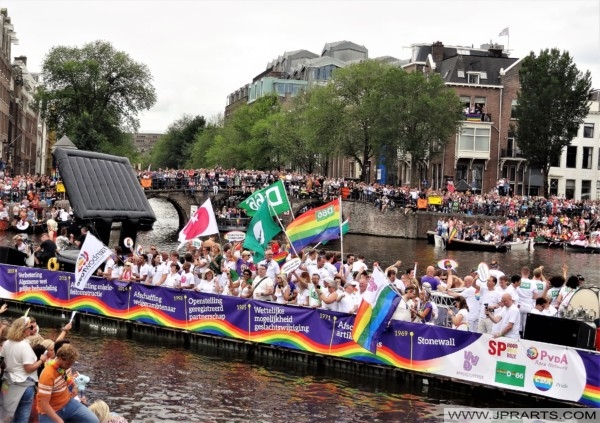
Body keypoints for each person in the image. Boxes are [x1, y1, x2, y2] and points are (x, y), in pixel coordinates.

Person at [1, 316, 48, 422]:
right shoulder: (24, 346)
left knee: (5, 412)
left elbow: (2, 362)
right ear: (24, 330)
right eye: (29, 328)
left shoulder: (6, 343)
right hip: (24, 385)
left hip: (8, 383)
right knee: (22, 415)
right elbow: (29, 368)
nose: (31, 330)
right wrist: (41, 361)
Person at [37, 344, 99, 423]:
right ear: (60, 358)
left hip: (67, 403)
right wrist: (58, 420)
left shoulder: (65, 367)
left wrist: (74, 386)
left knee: (93, 421)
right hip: (49, 411)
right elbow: (44, 404)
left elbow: (69, 379)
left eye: (71, 364)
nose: (70, 366)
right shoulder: (47, 375)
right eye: (68, 364)